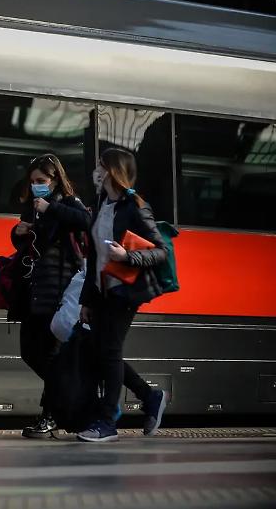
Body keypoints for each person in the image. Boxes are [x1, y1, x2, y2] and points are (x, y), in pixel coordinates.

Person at [77, 147, 170, 443]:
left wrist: (128, 256)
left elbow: (160, 251)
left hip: (125, 292)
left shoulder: (135, 206)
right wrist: (86, 301)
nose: (96, 171)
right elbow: (93, 258)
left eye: (100, 165)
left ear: (112, 170)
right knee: (103, 353)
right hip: (102, 290)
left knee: (110, 352)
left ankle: (107, 422)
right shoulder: (101, 202)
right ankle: (149, 395)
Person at [9, 154, 90, 438]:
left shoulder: (67, 203)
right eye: (32, 182)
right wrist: (18, 232)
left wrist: (52, 207)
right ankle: (73, 396)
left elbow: (85, 220)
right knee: (30, 352)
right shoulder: (33, 209)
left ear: (55, 179)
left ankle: (50, 416)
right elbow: (27, 244)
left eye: (41, 181)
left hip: (57, 291)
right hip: (33, 291)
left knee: (50, 355)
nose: (36, 187)